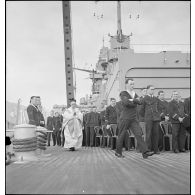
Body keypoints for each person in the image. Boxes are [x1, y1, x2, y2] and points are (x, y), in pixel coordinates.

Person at [115, 79, 154, 159]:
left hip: (133, 118)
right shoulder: (123, 93)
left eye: (133, 84)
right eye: (131, 84)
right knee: (121, 135)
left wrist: (132, 100)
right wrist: (135, 101)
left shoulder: (134, 93)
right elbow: (126, 103)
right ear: (126, 84)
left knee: (139, 134)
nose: (132, 85)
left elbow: (140, 102)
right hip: (125, 118)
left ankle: (145, 152)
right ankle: (118, 152)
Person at [139, 85, 161, 154]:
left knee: (156, 134)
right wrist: (146, 116)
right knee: (148, 134)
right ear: (148, 90)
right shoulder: (145, 98)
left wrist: (158, 114)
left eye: (153, 89)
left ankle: (155, 150)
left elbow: (159, 107)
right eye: (151, 89)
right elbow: (141, 110)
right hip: (148, 118)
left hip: (156, 118)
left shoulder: (155, 98)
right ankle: (148, 149)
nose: (153, 91)